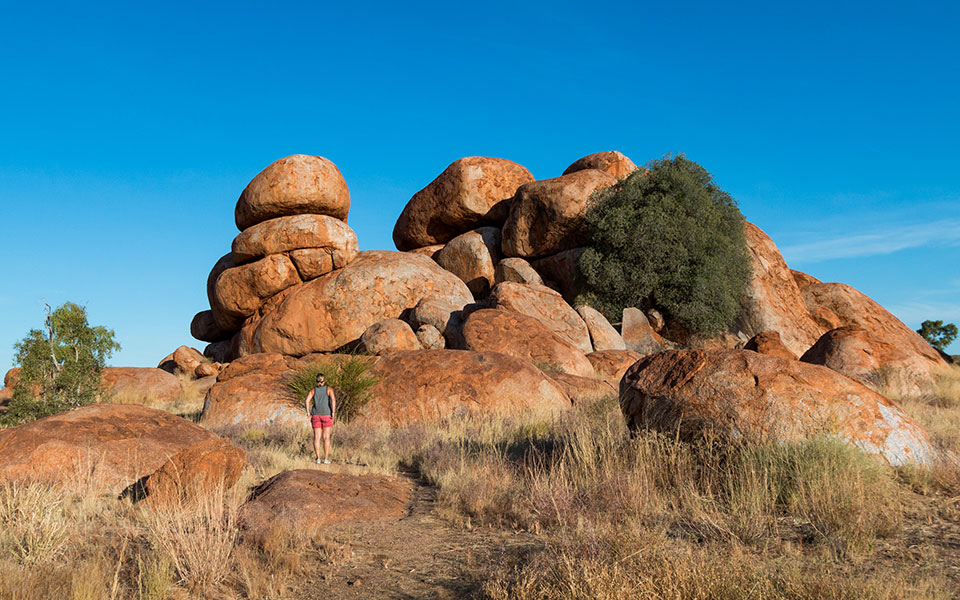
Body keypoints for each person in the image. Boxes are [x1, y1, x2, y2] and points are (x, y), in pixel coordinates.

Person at [305, 373, 336, 464]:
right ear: (324, 380)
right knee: (326, 437)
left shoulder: (313, 390)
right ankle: (326, 459)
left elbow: (307, 400)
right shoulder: (329, 389)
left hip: (315, 415)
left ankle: (318, 458)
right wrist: (333, 412)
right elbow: (333, 400)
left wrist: (308, 412)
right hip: (327, 414)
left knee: (317, 437)